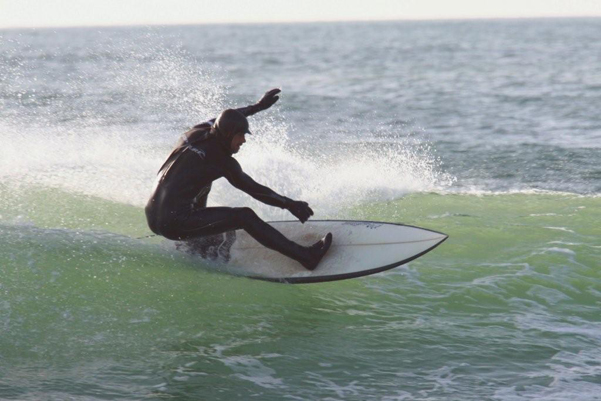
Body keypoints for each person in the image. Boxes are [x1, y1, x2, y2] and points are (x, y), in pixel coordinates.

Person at [145, 89, 332, 270]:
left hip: (153, 216)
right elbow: (254, 189)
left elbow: (227, 117)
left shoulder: (196, 132)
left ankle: (197, 245)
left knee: (205, 186)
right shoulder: (221, 161)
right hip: (174, 223)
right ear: (228, 134)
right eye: (240, 135)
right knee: (244, 216)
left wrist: (258, 106)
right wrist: (290, 204)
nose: (243, 140)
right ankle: (307, 257)